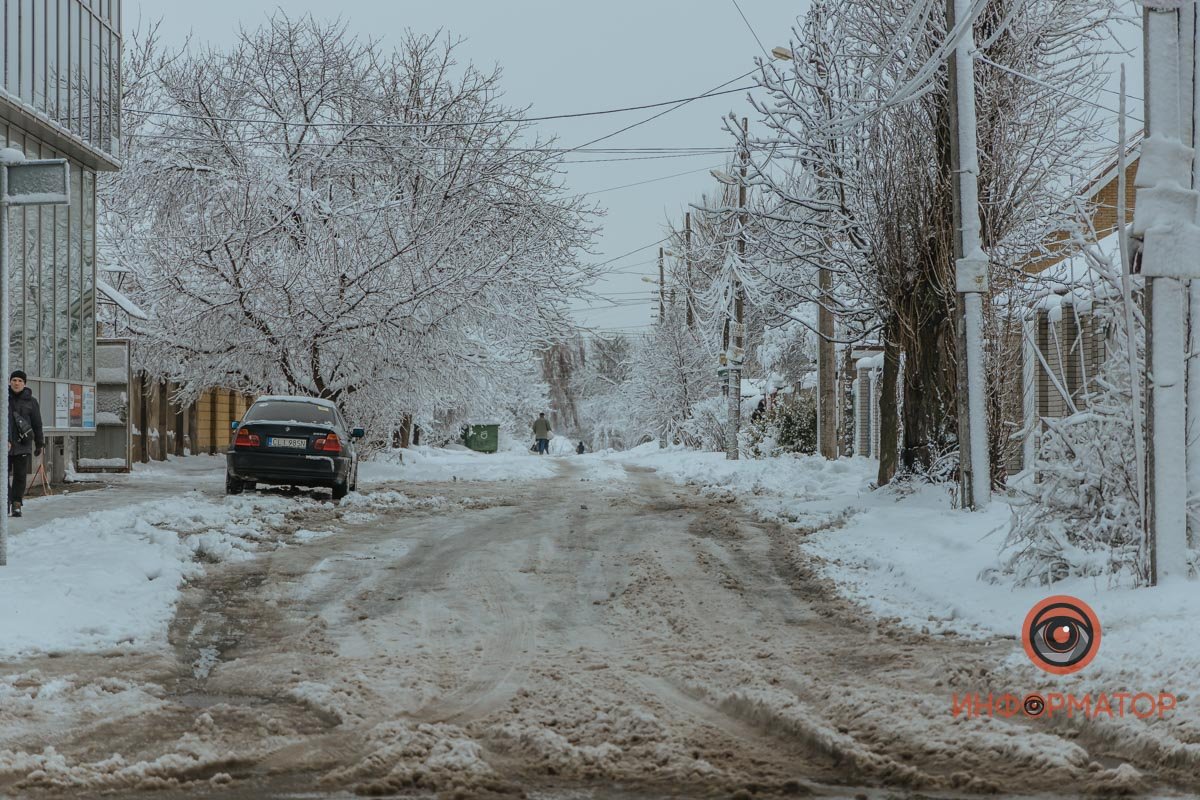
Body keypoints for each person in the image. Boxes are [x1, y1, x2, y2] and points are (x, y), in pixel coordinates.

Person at [8, 370, 44, 518]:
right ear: (10, 382)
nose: (16, 383)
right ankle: (5, 501)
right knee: (3, 475)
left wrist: (39, 443)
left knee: (20, 476)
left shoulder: (31, 401)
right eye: (14, 380)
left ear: (24, 383)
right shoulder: (4, 398)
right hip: (5, 444)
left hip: (23, 444)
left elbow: (37, 424)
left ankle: (16, 503)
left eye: (20, 381)